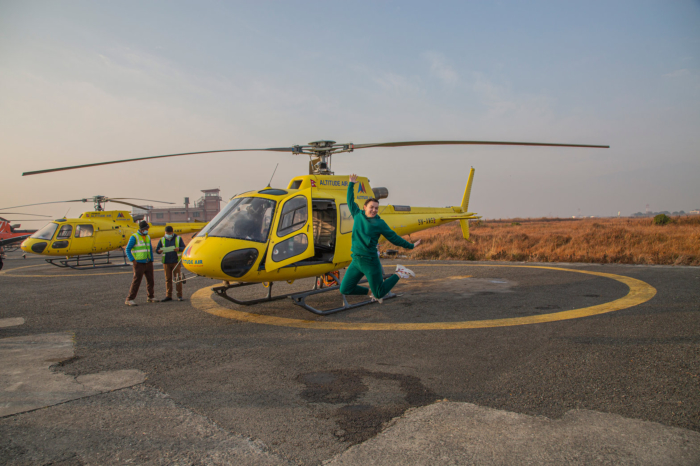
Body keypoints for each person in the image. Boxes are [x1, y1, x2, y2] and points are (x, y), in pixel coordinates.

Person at [339, 174, 421, 303]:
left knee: (379, 293)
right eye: (371, 207)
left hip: (370, 261)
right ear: (365, 207)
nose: (374, 210)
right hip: (356, 260)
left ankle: (399, 272)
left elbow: (393, 237)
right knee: (345, 289)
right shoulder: (357, 215)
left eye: (376, 208)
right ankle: (369, 292)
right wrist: (351, 184)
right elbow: (350, 200)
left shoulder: (379, 223)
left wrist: (410, 245)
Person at [125, 220, 157, 306]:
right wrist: (133, 260)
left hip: (148, 262)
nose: (147, 230)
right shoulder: (134, 237)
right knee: (136, 281)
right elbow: (127, 249)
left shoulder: (148, 237)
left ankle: (150, 296)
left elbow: (150, 249)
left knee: (150, 281)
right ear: (142, 229)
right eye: (146, 229)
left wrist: (151, 260)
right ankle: (129, 299)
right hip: (139, 263)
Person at [156, 225, 186, 302]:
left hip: (176, 261)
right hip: (166, 262)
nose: (168, 235)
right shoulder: (162, 239)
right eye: (167, 233)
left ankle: (179, 295)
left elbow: (184, 248)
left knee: (177, 279)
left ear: (172, 232)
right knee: (168, 279)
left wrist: (179, 249)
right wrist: (159, 251)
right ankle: (168, 295)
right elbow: (157, 249)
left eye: (169, 233)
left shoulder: (178, 238)